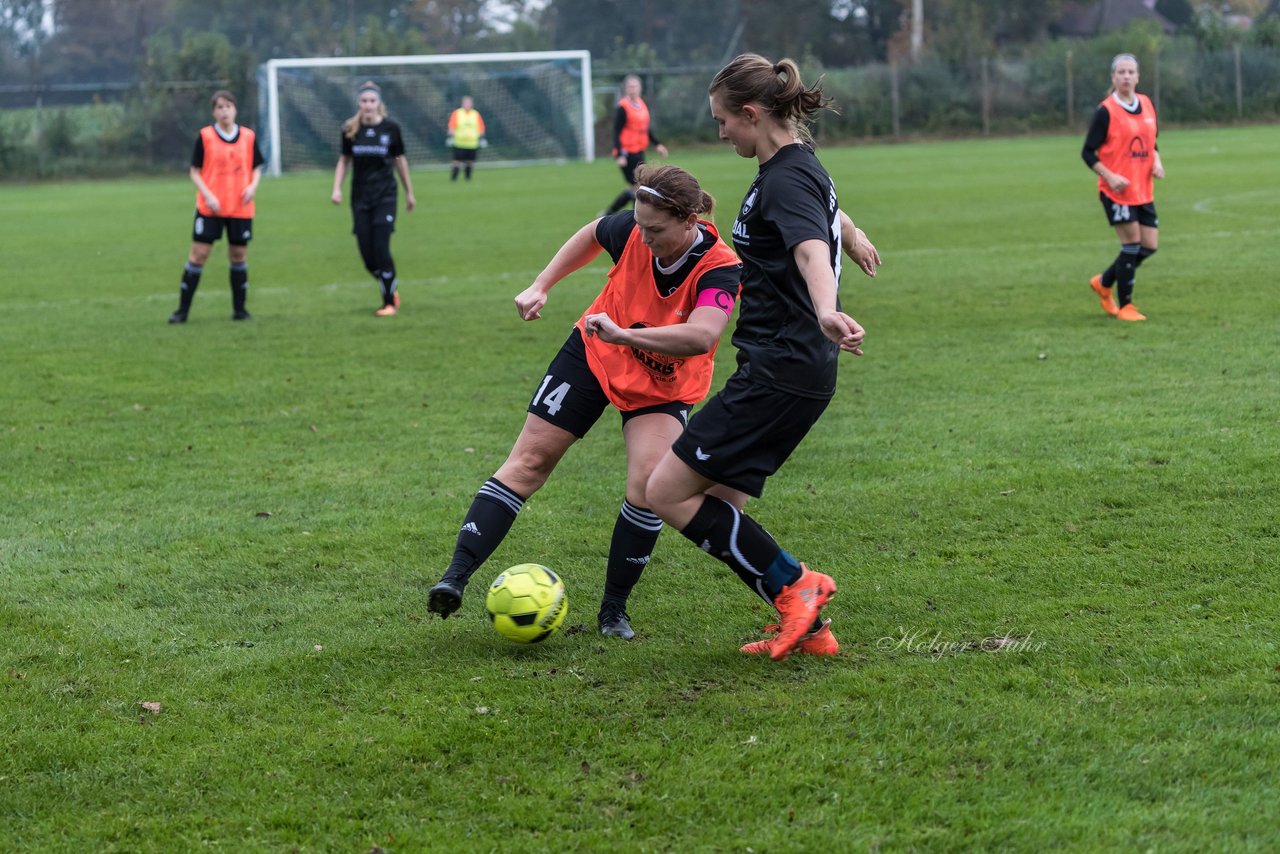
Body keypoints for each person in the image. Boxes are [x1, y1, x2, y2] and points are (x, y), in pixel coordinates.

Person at [428, 164, 744, 640]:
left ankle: (613, 610)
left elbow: (702, 336)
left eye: (655, 230)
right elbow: (593, 232)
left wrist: (626, 333)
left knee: (646, 487)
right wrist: (541, 284)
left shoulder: (721, 267)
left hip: (661, 384)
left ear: (690, 221)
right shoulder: (635, 230)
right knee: (529, 461)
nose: (643, 237)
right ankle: (454, 577)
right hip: (594, 354)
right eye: (638, 225)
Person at [644, 53, 880, 661]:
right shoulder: (796, 164)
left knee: (665, 490)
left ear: (751, 114)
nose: (720, 133)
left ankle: (798, 588)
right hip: (786, 367)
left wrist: (827, 307)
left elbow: (805, 249)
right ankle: (810, 627)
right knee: (720, 503)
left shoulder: (784, 177)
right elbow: (814, 218)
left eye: (723, 120)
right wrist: (848, 232)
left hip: (784, 367)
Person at [168, 90, 263, 324]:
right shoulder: (206, 136)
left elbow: (257, 166)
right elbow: (194, 171)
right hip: (211, 207)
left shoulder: (248, 137)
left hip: (240, 207)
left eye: (228, 106)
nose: (224, 111)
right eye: (220, 107)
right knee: (199, 254)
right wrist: (208, 195)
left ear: (235, 109)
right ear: (214, 112)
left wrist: (252, 187)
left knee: (238, 255)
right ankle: (182, 311)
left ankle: (240, 310)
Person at [1083, 53, 1164, 322]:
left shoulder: (1147, 104)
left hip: (1143, 188)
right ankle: (1126, 307)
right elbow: (1088, 152)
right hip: (1116, 191)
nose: (1126, 77)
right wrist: (1110, 176)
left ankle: (1104, 282)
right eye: (1121, 72)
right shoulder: (1105, 111)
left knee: (1149, 245)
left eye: (1131, 72)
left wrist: (1157, 163)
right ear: (1114, 77)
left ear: (1138, 76)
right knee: (1131, 244)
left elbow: (1152, 142)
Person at [331, 81, 416, 317]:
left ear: (379, 103)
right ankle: (390, 286)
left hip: (385, 197)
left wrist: (409, 192)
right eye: (364, 101)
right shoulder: (350, 129)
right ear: (359, 103)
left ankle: (389, 302)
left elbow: (400, 161)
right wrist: (336, 188)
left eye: (372, 101)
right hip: (360, 198)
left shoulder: (391, 129)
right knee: (368, 258)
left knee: (381, 249)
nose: (368, 105)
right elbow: (344, 160)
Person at [601, 74, 669, 216]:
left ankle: (610, 213)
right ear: (626, 89)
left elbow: (645, 128)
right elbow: (616, 131)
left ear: (640, 88)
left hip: (639, 150)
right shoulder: (623, 107)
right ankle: (635, 216)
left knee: (637, 186)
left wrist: (657, 144)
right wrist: (619, 154)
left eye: (635, 86)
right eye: (630, 86)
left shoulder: (641, 104)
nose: (632, 89)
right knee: (638, 186)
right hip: (627, 152)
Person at [447, 95, 486, 181]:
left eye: (469, 102)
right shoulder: (457, 113)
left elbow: (481, 128)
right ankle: (453, 180)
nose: (467, 104)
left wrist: (482, 138)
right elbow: (451, 127)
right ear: (462, 103)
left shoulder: (476, 114)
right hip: (459, 143)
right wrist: (450, 137)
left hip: (472, 144)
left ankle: (468, 180)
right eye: (466, 102)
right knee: (456, 162)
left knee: (470, 162)